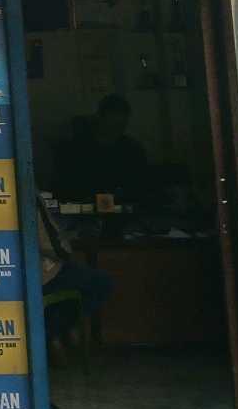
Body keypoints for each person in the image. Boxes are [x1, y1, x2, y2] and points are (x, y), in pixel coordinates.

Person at [38, 192, 113, 356]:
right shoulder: (31, 198)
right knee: (103, 282)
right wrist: (68, 246)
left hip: (28, 276)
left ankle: (56, 333)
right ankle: (56, 332)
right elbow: (53, 246)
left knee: (66, 296)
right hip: (46, 273)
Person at [56, 94, 154, 211]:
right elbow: (69, 190)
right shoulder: (77, 149)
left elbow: (141, 186)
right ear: (100, 117)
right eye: (113, 122)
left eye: (121, 124)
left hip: (123, 210)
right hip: (86, 211)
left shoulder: (132, 149)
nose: (117, 128)